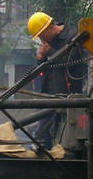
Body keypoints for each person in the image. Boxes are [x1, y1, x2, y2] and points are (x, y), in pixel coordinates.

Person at [26, 12, 87, 149]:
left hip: (66, 91)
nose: (42, 40)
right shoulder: (49, 43)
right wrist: (40, 58)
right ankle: (43, 146)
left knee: (48, 124)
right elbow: (45, 69)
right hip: (48, 91)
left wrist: (50, 52)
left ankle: (41, 144)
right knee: (42, 121)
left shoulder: (72, 37)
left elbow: (73, 62)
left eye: (42, 35)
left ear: (49, 28)